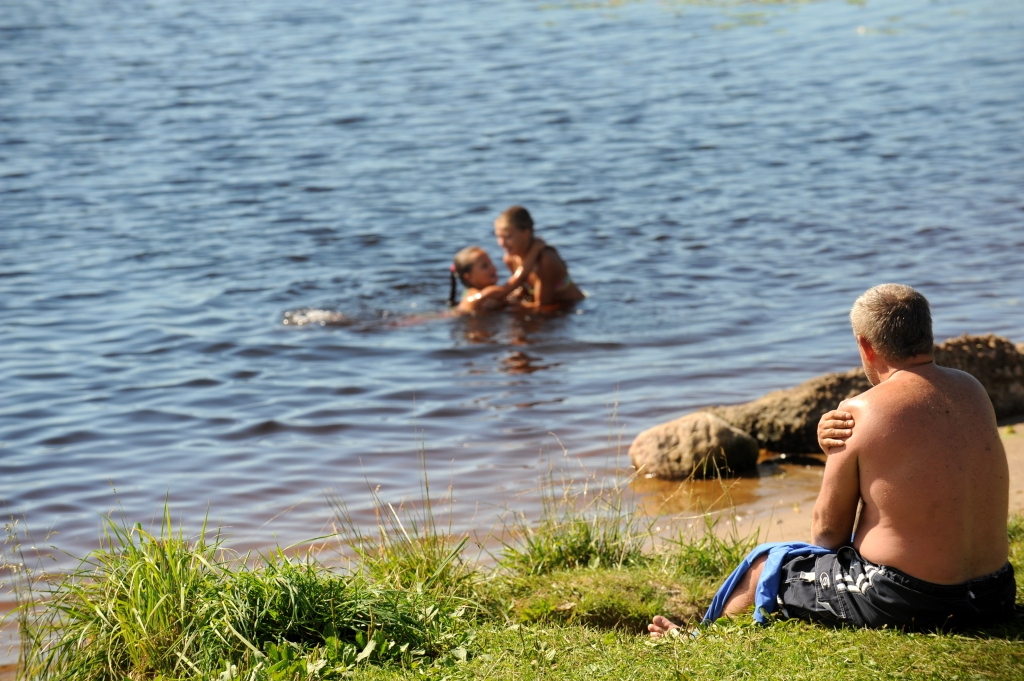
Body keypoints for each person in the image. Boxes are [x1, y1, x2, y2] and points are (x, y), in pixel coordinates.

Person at [650, 284, 1015, 635]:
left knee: (767, 566)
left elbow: (826, 536)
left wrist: (840, 458)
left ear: (865, 346)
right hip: (993, 594)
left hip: (909, 599)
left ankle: (701, 642)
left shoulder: (860, 411)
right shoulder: (973, 389)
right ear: (927, 333)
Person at [493, 206, 585, 310]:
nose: (501, 243)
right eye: (499, 237)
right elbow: (523, 290)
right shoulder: (510, 259)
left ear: (526, 234)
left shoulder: (545, 260)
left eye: (508, 237)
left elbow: (542, 306)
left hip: (573, 308)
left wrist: (513, 306)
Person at [447, 238, 547, 314]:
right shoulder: (486, 293)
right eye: (485, 266)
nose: (493, 268)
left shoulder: (468, 294)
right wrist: (535, 250)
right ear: (469, 277)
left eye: (491, 263)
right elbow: (517, 280)